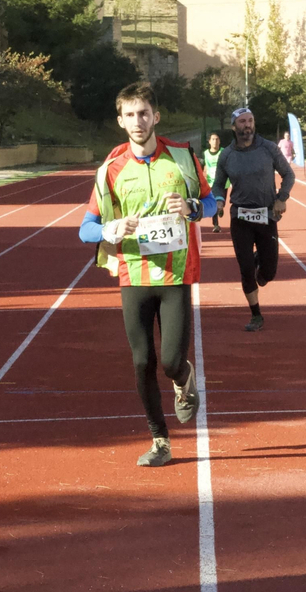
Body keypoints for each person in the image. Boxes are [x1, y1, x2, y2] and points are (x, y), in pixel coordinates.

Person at [79, 83, 215, 467]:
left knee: (171, 360)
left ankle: (183, 379)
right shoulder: (111, 169)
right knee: (142, 362)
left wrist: (191, 206)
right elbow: (85, 228)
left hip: (175, 275)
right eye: (129, 115)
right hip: (133, 274)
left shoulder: (182, 158)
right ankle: (160, 440)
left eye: (144, 113)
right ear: (120, 121)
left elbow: (211, 202)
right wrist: (110, 230)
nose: (138, 122)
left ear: (156, 116)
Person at [212, 106, 295, 332]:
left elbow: (288, 174)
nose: (247, 125)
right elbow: (219, 183)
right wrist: (219, 200)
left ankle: (261, 262)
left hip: (267, 215)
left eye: (250, 120)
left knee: (268, 273)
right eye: (242, 122)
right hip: (240, 217)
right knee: (246, 269)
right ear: (234, 126)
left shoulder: (268, 148)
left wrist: (281, 197)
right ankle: (256, 314)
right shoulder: (227, 155)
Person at [203, 132, 225, 232]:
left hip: (223, 182)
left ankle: (221, 208)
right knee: (215, 202)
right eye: (213, 139)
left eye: (217, 139)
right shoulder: (205, 154)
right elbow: (203, 167)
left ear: (219, 141)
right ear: (209, 142)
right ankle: (216, 225)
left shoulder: (223, 152)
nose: (215, 141)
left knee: (221, 203)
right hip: (211, 182)